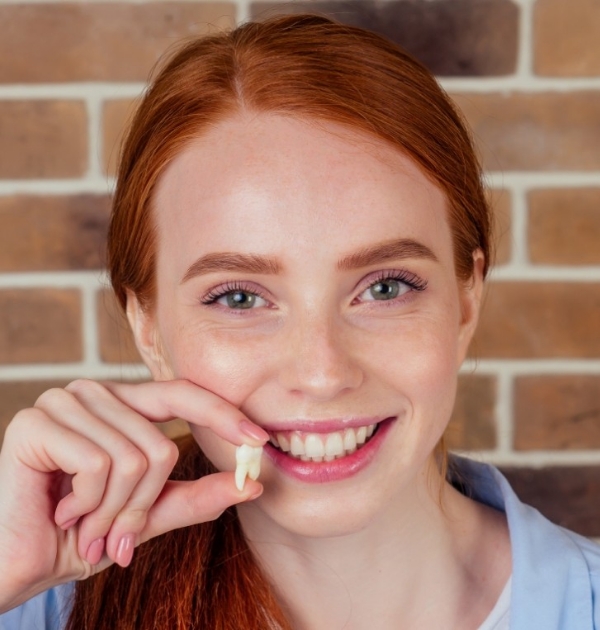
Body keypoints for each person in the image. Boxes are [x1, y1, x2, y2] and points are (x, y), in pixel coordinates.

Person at [0, 13, 598, 630]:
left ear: (466, 300)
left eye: (385, 287)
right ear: (148, 328)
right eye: (238, 299)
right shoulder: (32, 603)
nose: (321, 373)